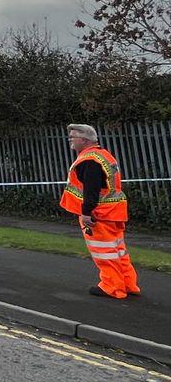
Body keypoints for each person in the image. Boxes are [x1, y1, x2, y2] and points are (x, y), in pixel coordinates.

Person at [61, 124, 140, 299]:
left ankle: (112, 287)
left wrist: (86, 212)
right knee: (119, 250)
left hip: (99, 214)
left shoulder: (88, 160)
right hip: (114, 210)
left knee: (104, 253)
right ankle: (128, 284)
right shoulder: (103, 155)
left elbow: (91, 189)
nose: (70, 140)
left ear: (84, 139)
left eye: (73, 137)